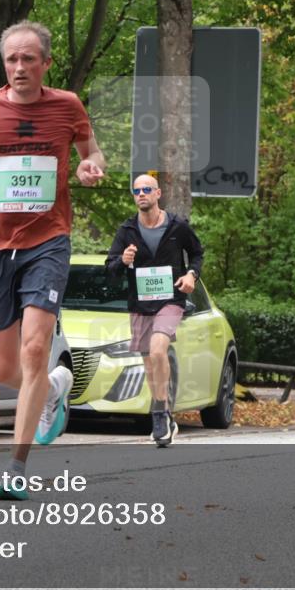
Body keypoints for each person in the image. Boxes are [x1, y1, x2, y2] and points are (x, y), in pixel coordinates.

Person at [0, 20, 105, 499]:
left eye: (28, 58)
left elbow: (91, 152)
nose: (19, 67)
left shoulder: (67, 106)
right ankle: (53, 389)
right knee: (7, 365)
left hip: (47, 240)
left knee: (34, 349)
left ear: (46, 64)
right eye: (11, 59)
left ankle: (15, 467)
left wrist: (92, 165)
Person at [105, 175, 204, 448]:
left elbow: (197, 252)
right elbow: (110, 267)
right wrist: (122, 261)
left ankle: (158, 413)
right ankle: (165, 414)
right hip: (140, 303)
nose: (141, 194)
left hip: (171, 299)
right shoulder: (126, 230)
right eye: (136, 191)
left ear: (158, 193)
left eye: (147, 189)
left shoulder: (176, 226)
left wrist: (191, 276)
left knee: (159, 349)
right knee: (149, 363)